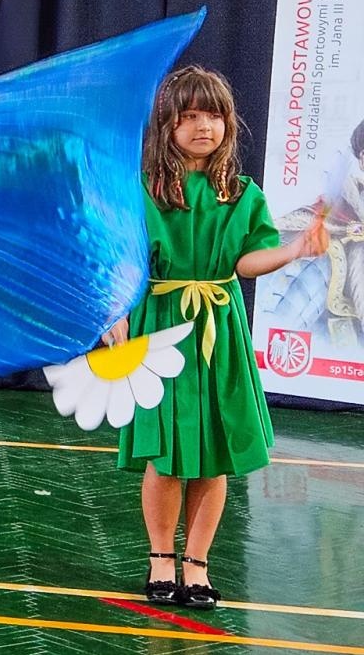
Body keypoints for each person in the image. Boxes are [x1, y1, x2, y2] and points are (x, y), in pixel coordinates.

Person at [108, 66, 327, 608]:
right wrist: (113, 313)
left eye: (213, 115)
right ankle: (161, 556)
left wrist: (295, 251)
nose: (203, 126)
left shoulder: (242, 194)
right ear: (168, 126)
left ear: (228, 123)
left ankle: (198, 562)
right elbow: (120, 263)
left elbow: (247, 261)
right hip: (160, 327)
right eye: (189, 116)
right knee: (164, 451)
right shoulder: (143, 191)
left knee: (213, 453)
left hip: (217, 328)